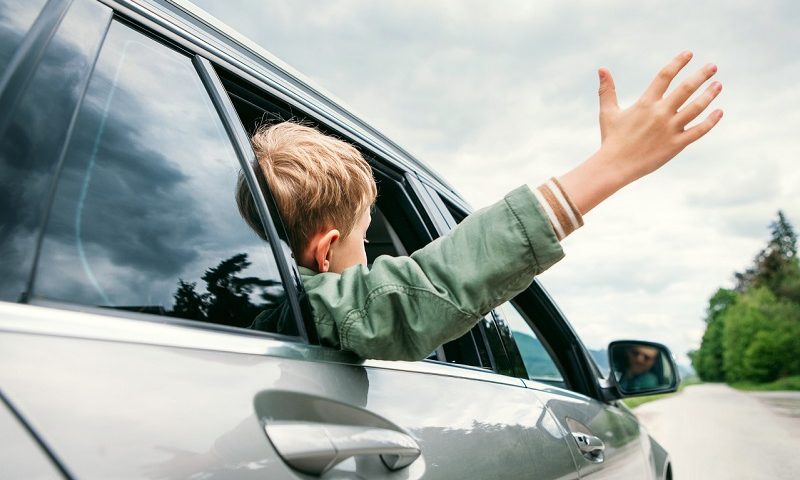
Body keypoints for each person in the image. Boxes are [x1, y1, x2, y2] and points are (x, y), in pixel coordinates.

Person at [237, 51, 723, 361]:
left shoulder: (255, 320)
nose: (371, 256)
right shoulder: (311, 312)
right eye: (366, 237)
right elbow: (434, 284)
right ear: (326, 254)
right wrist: (611, 166)